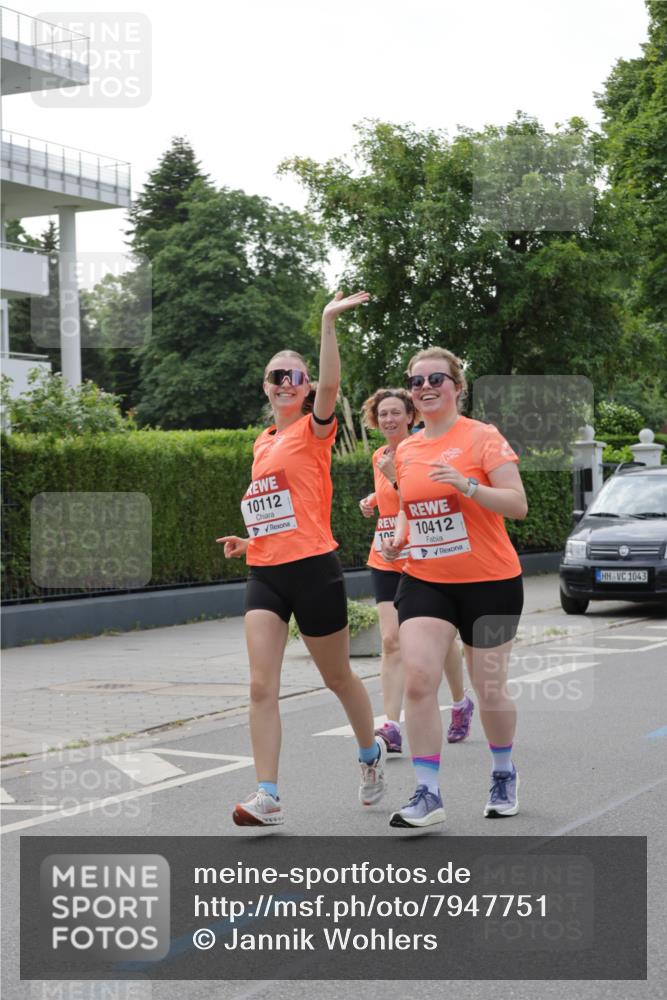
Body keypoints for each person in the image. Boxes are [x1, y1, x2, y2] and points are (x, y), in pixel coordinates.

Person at [217, 291, 386, 827]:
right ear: (266, 388)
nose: (284, 382)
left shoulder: (314, 431)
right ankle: (268, 794)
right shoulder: (261, 441)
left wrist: (328, 322)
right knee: (260, 684)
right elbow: (277, 508)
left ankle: (369, 754)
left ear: (307, 386)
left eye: (294, 375)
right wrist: (252, 540)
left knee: (337, 678)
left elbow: (333, 385)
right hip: (265, 571)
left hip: (315, 569)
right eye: (275, 376)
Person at [381, 347, 527, 829]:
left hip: (491, 582)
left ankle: (503, 772)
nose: (424, 388)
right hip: (427, 579)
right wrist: (401, 534)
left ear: (457, 387)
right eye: (416, 381)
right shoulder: (407, 450)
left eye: (435, 379)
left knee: (488, 688)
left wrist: (467, 486)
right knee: (420, 679)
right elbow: (409, 505)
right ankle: (427, 792)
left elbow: (517, 504)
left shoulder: (482, 438)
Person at [358, 388, 474, 754]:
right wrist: (374, 499)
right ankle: (390, 725)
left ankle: (460, 701)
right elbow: (393, 499)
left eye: (396, 413)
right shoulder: (380, 455)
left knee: (441, 642)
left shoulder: (423, 450)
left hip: (421, 555)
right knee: (391, 641)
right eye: (383, 414)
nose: (389, 420)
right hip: (385, 555)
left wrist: (394, 479)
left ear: (411, 416)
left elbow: (423, 497)